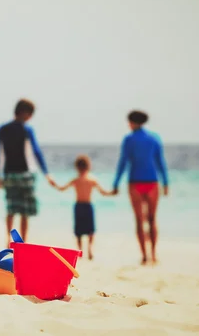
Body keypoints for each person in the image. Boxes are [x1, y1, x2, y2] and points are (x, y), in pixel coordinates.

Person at [0, 98, 56, 245]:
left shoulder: (2, 129)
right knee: (24, 211)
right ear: (26, 113)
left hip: (9, 174)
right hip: (26, 175)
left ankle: (8, 239)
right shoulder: (27, 129)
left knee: (10, 208)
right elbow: (36, 151)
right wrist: (46, 173)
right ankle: (23, 241)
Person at [112, 110, 169, 265]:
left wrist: (116, 183)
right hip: (152, 182)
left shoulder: (129, 139)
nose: (128, 125)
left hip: (135, 182)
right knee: (152, 219)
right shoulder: (154, 138)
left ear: (134, 122)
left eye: (129, 122)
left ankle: (144, 256)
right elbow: (160, 162)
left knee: (139, 220)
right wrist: (166, 182)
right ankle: (154, 254)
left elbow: (123, 162)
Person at [54, 155, 114, 260]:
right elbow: (103, 192)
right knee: (90, 230)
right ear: (89, 166)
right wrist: (112, 192)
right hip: (88, 206)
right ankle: (90, 250)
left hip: (79, 206)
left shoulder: (76, 180)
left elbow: (62, 188)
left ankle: (80, 250)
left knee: (79, 230)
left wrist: (54, 184)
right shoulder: (92, 180)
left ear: (76, 167)